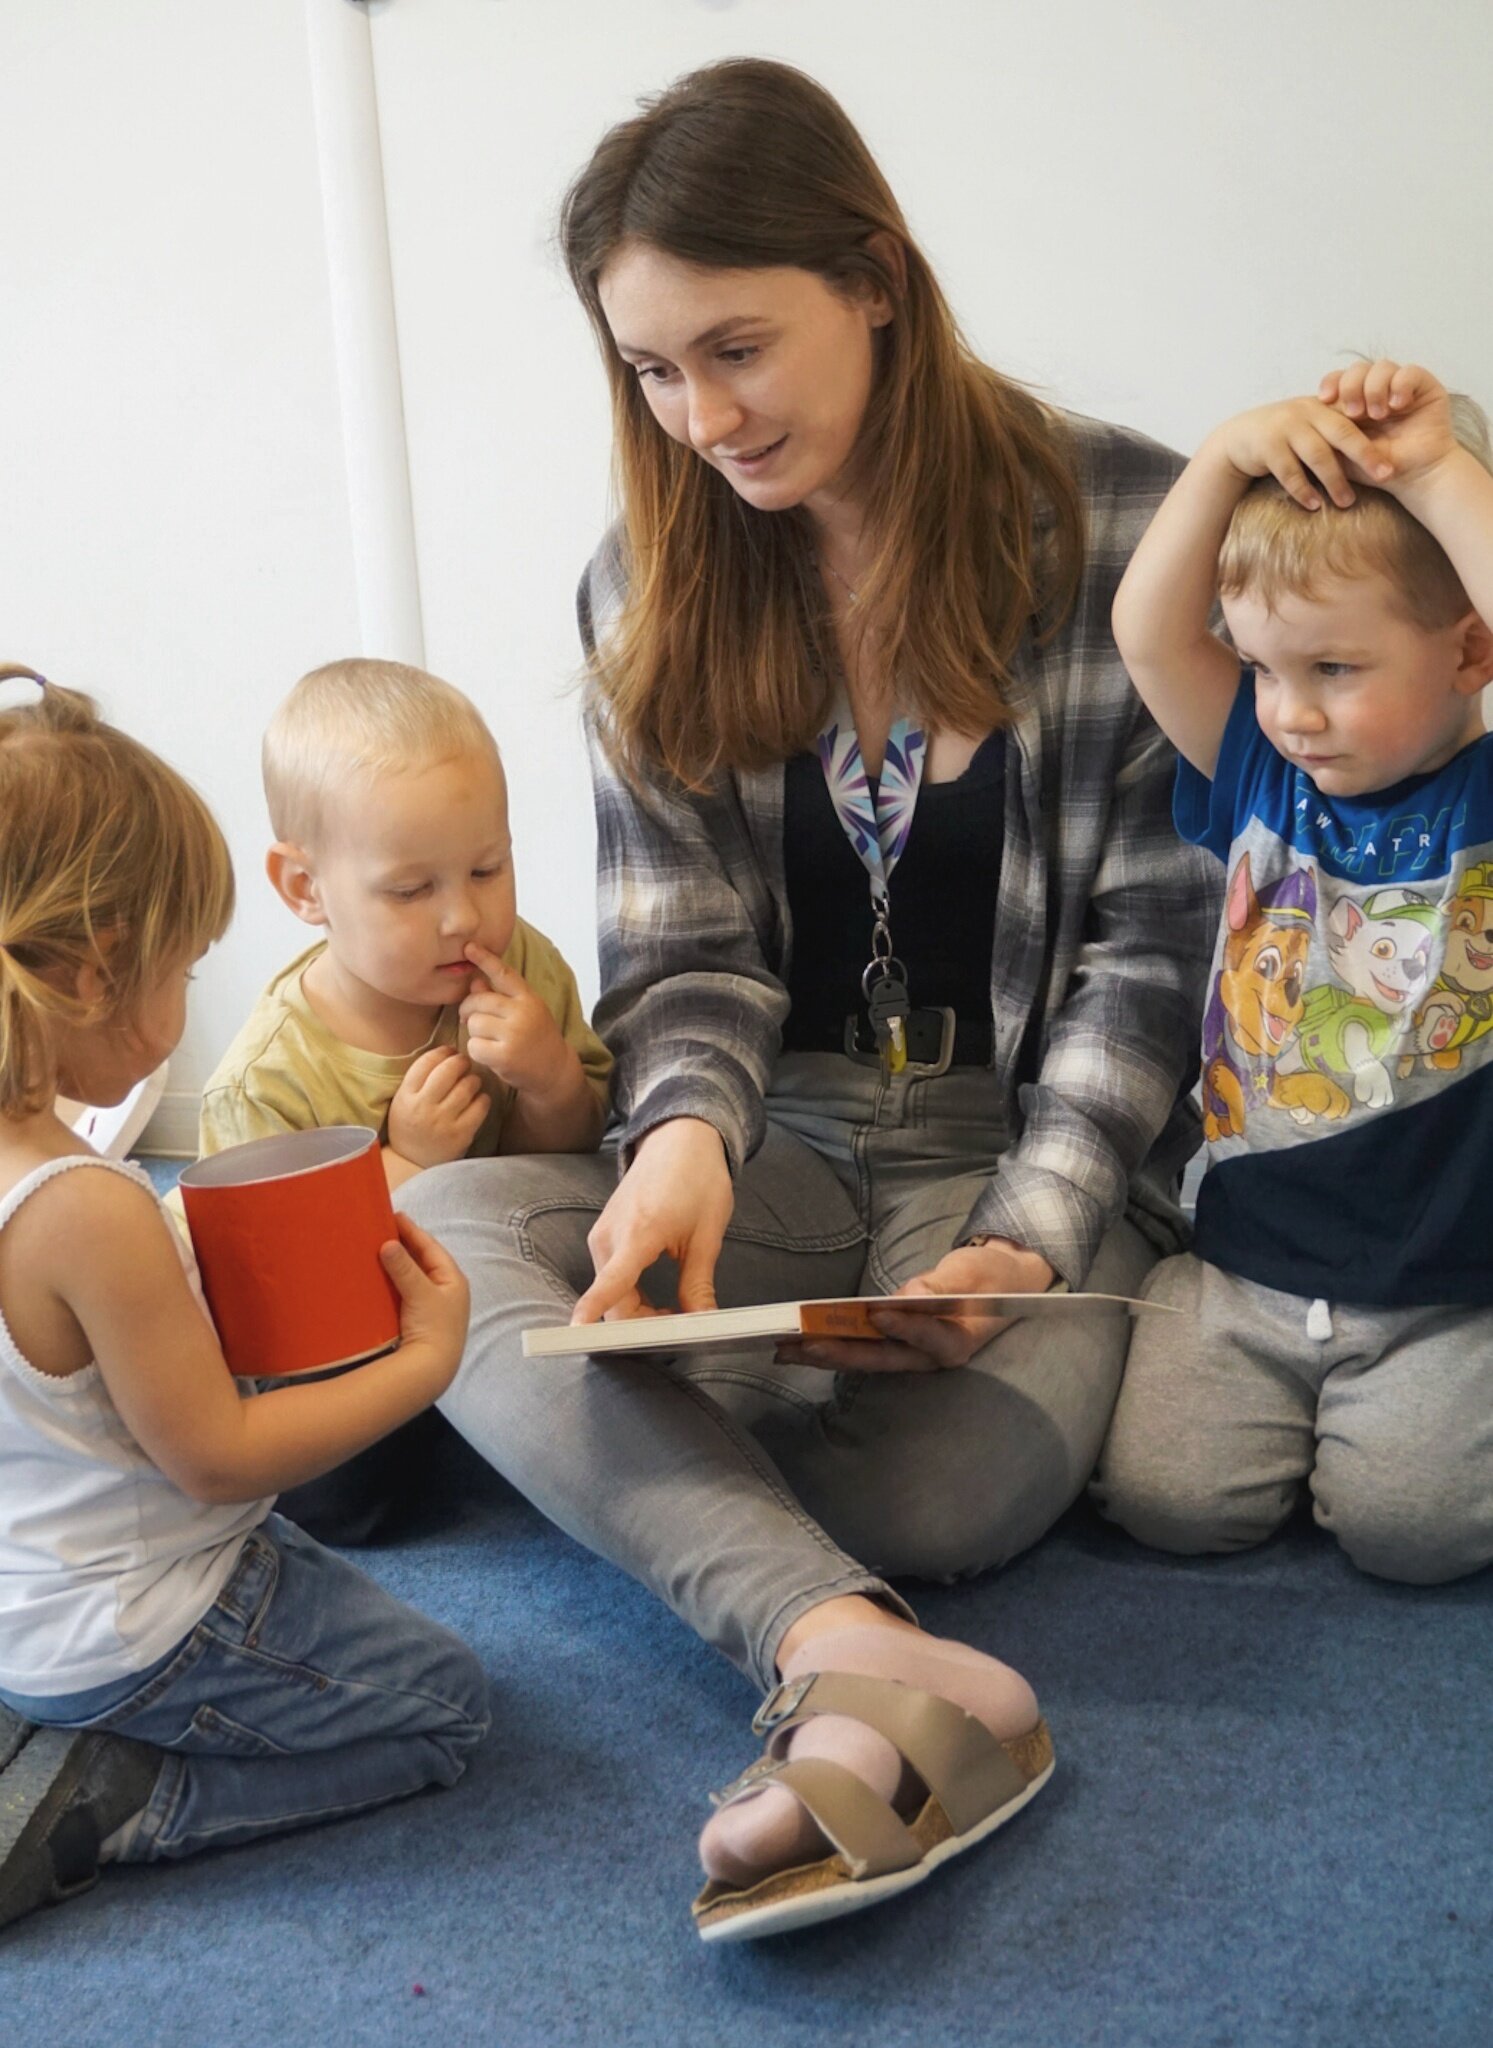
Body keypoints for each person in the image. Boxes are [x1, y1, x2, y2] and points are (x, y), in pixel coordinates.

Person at [400, 58, 1215, 1940]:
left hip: (1019, 1153)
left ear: (874, 274)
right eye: (652, 372)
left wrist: (1022, 1245)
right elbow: (680, 956)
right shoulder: (646, 577)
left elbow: (1154, 959)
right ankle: (839, 1642)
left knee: (948, 1490)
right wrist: (680, 1137)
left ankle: (718, 1469)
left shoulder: (1123, 530)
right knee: (435, 1234)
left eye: (734, 348)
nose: (698, 416)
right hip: (781, 1135)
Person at [0, 673, 488, 1933]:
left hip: (32, 1597)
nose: (186, 1004)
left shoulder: (58, 1178)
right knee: (450, 1706)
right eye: (182, 964)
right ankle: (117, 1795)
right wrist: (425, 1362)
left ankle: (49, 1718)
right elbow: (217, 1456)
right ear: (100, 972)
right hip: (139, 1613)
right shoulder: (79, 1204)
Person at [1095, 360, 1493, 1583]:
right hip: (1242, 1260)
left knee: (1411, 1533)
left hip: (1441, 1279)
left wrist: (1433, 470)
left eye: (1333, 669)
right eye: (1265, 669)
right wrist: (1221, 455)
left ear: (1470, 650)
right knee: (1166, 1501)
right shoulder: (1261, 777)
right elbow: (1143, 631)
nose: (1289, 712)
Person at [195, 658, 612, 1542]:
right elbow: (260, 1297)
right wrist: (409, 1165)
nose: (462, 918)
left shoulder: (523, 970)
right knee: (345, 1504)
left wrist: (547, 1077)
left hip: (517, 1277)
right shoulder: (264, 1078)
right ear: (306, 889)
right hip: (352, 1347)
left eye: (487, 870)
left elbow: (581, 1152)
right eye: (411, 890)